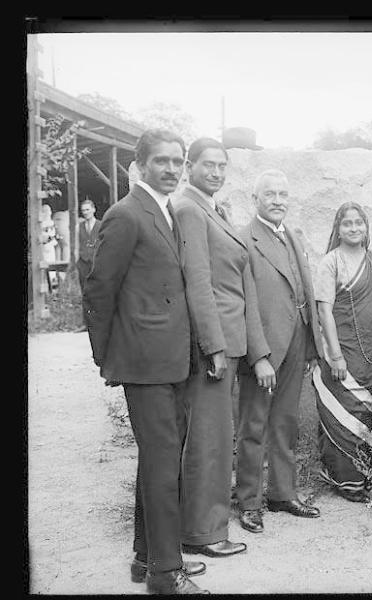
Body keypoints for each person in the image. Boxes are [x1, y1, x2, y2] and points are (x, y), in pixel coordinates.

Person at [83, 129, 209, 594]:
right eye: (162, 161)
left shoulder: (166, 210)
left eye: (178, 161)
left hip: (173, 362)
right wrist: (108, 356)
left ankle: (145, 557)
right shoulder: (126, 214)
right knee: (161, 469)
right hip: (145, 365)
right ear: (140, 165)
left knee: (158, 464)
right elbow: (98, 289)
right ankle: (165, 573)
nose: (172, 169)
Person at [173, 138, 272, 551]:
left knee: (216, 437)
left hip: (232, 341)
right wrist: (213, 346)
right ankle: (202, 533)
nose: (216, 172)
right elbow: (197, 281)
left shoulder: (214, 210)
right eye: (207, 165)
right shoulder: (189, 210)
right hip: (213, 346)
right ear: (189, 166)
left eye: (222, 166)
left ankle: (203, 527)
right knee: (208, 442)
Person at [235, 169, 325, 527]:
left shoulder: (292, 236)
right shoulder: (245, 240)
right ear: (255, 199)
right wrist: (258, 357)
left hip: (296, 344)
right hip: (265, 352)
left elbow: (301, 291)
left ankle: (282, 494)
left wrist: (310, 347)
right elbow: (246, 302)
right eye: (269, 194)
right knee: (254, 425)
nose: (277, 201)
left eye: (283, 195)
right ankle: (249, 501)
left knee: (285, 424)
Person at [311, 202, 372, 503]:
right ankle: (348, 480)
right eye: (347, 223)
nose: (354, 228)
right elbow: (325, 312)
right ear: (338, 228)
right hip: (344, 353)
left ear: (367, 227)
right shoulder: (330, 262)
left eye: (359, 222)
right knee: (346, 415)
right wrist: (335, 356)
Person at [77, 199, 101, 294]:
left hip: (97, 262)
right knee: (85, 289)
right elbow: (76, 245)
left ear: (93, 210)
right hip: (83, 262)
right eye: (83, 210)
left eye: (87, 210)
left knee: (97, 289)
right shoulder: (78, 226)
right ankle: (86, 309)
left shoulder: (101, 225)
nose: (85, 212)